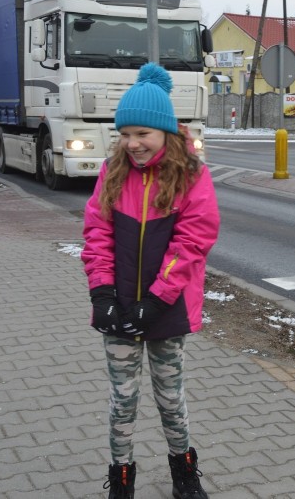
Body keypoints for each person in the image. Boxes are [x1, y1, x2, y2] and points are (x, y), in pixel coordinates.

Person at [81, 63, 220, 499]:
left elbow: (192, 241)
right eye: (125, 134)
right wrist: (102, 292)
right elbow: (97, 233)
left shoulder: (192, 176)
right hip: (119, 305)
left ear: (164, 132)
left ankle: (185, 476)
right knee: (122, 400)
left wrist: (157, 300)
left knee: (169, 399)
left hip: (167, 308)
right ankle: (121, 481)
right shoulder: (113, 171)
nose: (132, 143)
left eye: (142, 133)